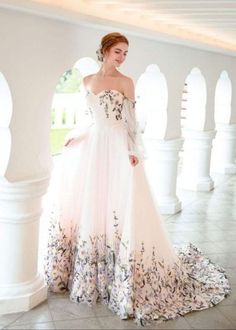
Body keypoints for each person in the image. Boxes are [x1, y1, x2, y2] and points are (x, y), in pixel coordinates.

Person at [45, 32, 230, 326]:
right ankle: (93, 274)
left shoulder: (126, 82)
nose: (121, 58)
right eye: (118, 51)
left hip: (118, 148)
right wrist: (76, 138)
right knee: (94, 207)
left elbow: (131, 123)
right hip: (93, 148)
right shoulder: (87, 81)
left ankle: (122, 271)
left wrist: (133, 150)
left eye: (125, 53)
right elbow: (90, 120)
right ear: (105, 50)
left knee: (120, 206)